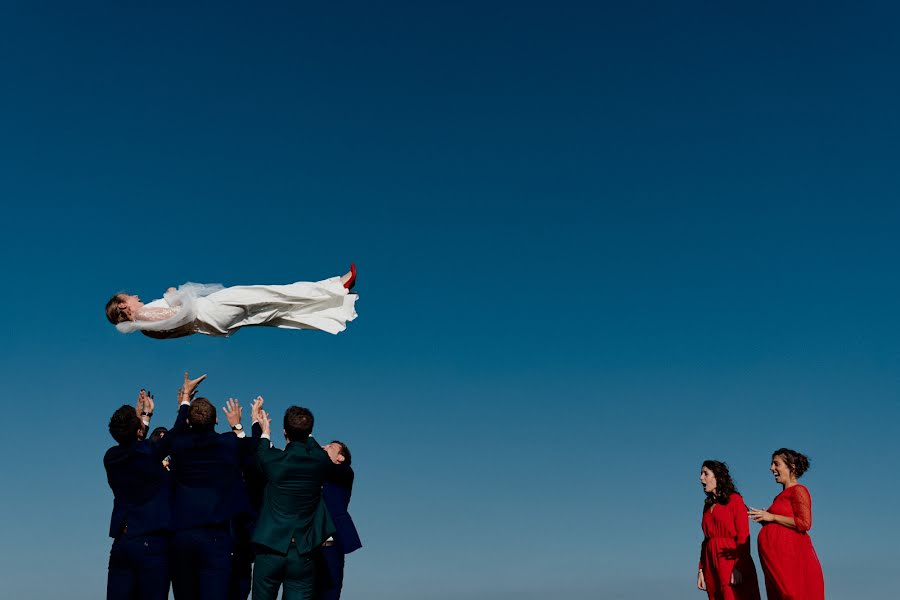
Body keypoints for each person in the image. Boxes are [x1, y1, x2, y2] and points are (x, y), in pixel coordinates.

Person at [103, 374, 203, 600]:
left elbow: (133, 447)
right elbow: (176, 432)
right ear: (138, 428)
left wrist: (142, 418)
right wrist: (185, 399)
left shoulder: (111, 457)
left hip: (122, 542)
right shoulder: (149, 453)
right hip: (152, 544)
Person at [166, 386, 262, 599]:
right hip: (215, 536)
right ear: (216, 420)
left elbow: (175, 433)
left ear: (189, 422)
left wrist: (183, 402)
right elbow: (255, 447)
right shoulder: (227, 443)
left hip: (182, 535)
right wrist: (242, 423)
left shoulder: (178, 445)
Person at [105, 265, 358, 339]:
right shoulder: (142, 318)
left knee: (274, 311)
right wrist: (175, 295)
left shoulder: (145, 329)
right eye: (129, 297)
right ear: (124, 306)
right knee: (270, 295)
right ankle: (336, 286)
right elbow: (180, 315)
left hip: (212, 324)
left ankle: (334, 307)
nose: (134, 296)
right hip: (209, 311)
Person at [252, 407, 335, 600]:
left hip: (270, 547)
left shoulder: (273, 461)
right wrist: (306, 430)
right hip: (302, 550)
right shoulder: (320, 462)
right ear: (309, 432)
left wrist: (264, 431)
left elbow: (261, 451)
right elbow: (317, 450)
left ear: (284, 432)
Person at [749, 448, 825, 600]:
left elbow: (805, 523)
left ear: (792, 467)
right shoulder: (779, 497)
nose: (772, 468)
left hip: (792, 561)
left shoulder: (799, 490)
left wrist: (772, 517)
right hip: (776, 562)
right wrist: (766, 520)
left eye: (776, 464)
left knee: (792, 595)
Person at [697, 460, 760, 600]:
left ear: (718, 477)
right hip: (710, 562)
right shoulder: (707, 506)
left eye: (705, 473)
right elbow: (705, 540)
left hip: (731, 560)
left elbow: (744, 535)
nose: (701, 478)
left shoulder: (735, 500)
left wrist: (739, 567)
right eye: (701, 474)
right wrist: (701, 569)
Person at [316, 441, 362, 600]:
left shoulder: (345, 472)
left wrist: (308, 439)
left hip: (331, 545)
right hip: (309, 544)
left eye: (330, 446)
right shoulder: (317, 472)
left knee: (330, 592)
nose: (324, 446)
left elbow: (328, 469)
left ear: (340, 457)